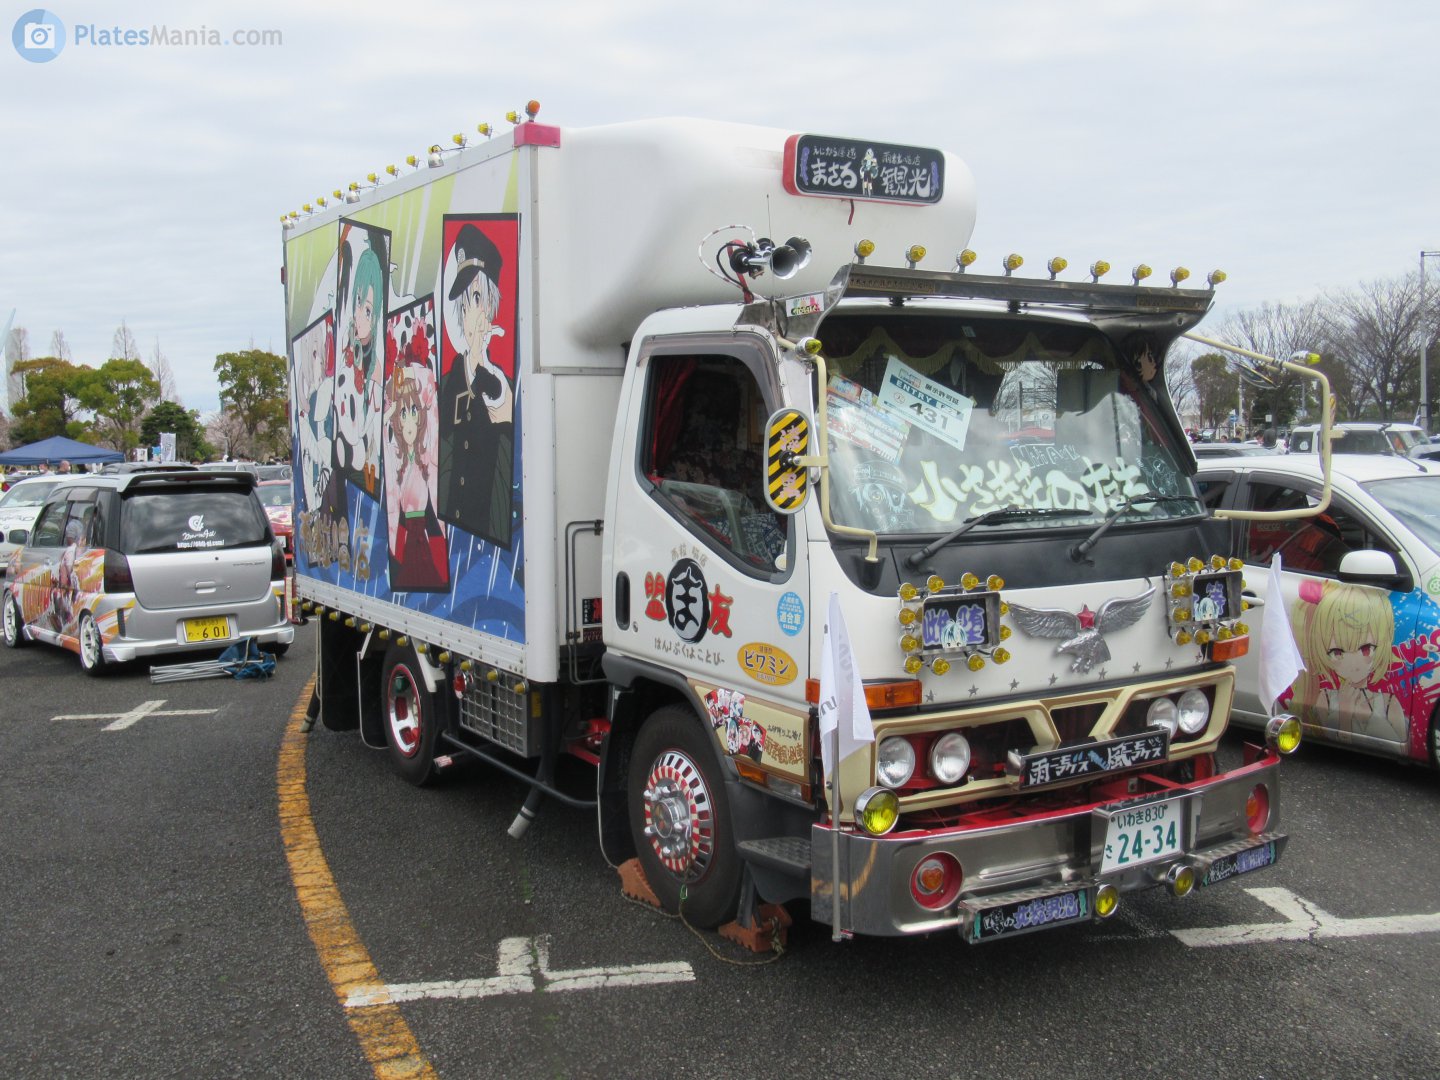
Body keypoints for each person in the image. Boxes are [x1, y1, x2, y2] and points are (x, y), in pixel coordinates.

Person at [438, 223, 514, 547]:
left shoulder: (500, 384)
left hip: (486, 544)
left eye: (479, 298)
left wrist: (481, 361)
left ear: (492, 307)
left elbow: (500, 410)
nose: (472, 311)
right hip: (453, 540)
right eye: (466, 301)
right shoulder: (448, 383)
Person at [1289, 579, 1407, 744]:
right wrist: (1345, 714)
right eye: (1337, 652)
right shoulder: (1325, 698)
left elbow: (1403, 748)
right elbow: (1326, 744)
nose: (1353, 663)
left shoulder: (1389, 703)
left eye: (1366, 649)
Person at [383, 353, 449, 590]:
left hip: (425, 540)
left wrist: (407, 373)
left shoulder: (428, 458)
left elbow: (430, 390)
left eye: (414, 411)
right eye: (403, 414)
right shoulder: (397, 460)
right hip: (408, 542)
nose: (409, 422)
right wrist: (387, 414)